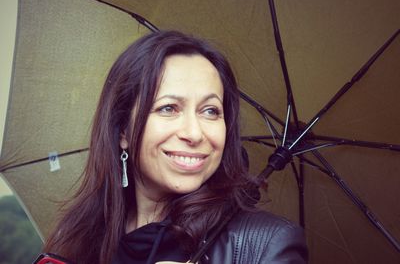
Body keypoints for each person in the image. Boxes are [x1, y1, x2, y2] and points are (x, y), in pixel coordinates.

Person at [42, 30, 308, 264]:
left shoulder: (268, 245)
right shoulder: (77, 240)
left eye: (211, 111)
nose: (194, 133)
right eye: (168, 108)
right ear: (123, 130)